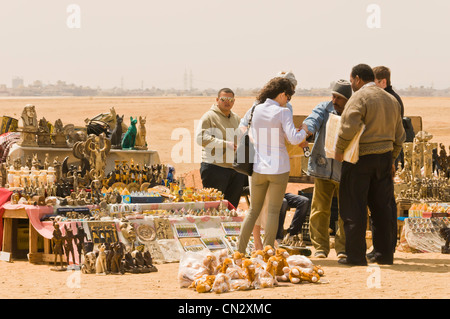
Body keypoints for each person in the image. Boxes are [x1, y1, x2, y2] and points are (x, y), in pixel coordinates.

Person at [335, 64, 406, 266]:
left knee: (353, 207)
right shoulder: (391, 99)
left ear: (358, 79)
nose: (352, 86)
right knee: (382, 209)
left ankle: (356, 257)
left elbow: (349, 126)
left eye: (351, 82)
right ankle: (384, 254)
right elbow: (400, 135)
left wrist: (339, 149)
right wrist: (392, 158)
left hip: (360, 159)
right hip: (383, 160)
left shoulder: (359, 98)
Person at [237, 77, 307, 253]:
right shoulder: (283, 112)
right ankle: (268, 254)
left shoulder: (256, 109)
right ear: (283, 94)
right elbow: (293, 138)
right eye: (288, 97)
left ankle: (239, 250)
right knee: (273, 212)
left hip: (258, 168)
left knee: (253, 211)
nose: (288, 101)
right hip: (278, 168)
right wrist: (305, 130)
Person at [300, 80, 352, 259]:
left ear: (348, 99)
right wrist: (305, 131)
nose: (335, 100)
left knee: (346, 212)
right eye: (334, 96)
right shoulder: (324, 108)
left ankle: (342, 248)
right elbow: (312, 120)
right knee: (320, 209)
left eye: (339, 97)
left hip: (345, 170)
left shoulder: (353, 111)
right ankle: (320, 247)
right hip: (323, 167)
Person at [368, 66, 405, 260]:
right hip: (388, 157)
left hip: (386, 157)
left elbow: (396, 133)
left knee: (383, 204)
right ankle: (384, 246)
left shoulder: (389, 100)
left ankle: (385, 246)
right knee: (385, 203)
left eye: (374, 82)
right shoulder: (393, 98)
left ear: (383, 82)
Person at [196, 88, 248, 208]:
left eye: (230, 100)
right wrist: (225, 144)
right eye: (223, 99)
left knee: (231, 207)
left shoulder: (236, 119)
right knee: (213, 207)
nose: (227, 102)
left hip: (235, 169)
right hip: (215, 168)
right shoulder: (209, 117)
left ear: (234, 101)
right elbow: (201, 138)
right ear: (217, 100)